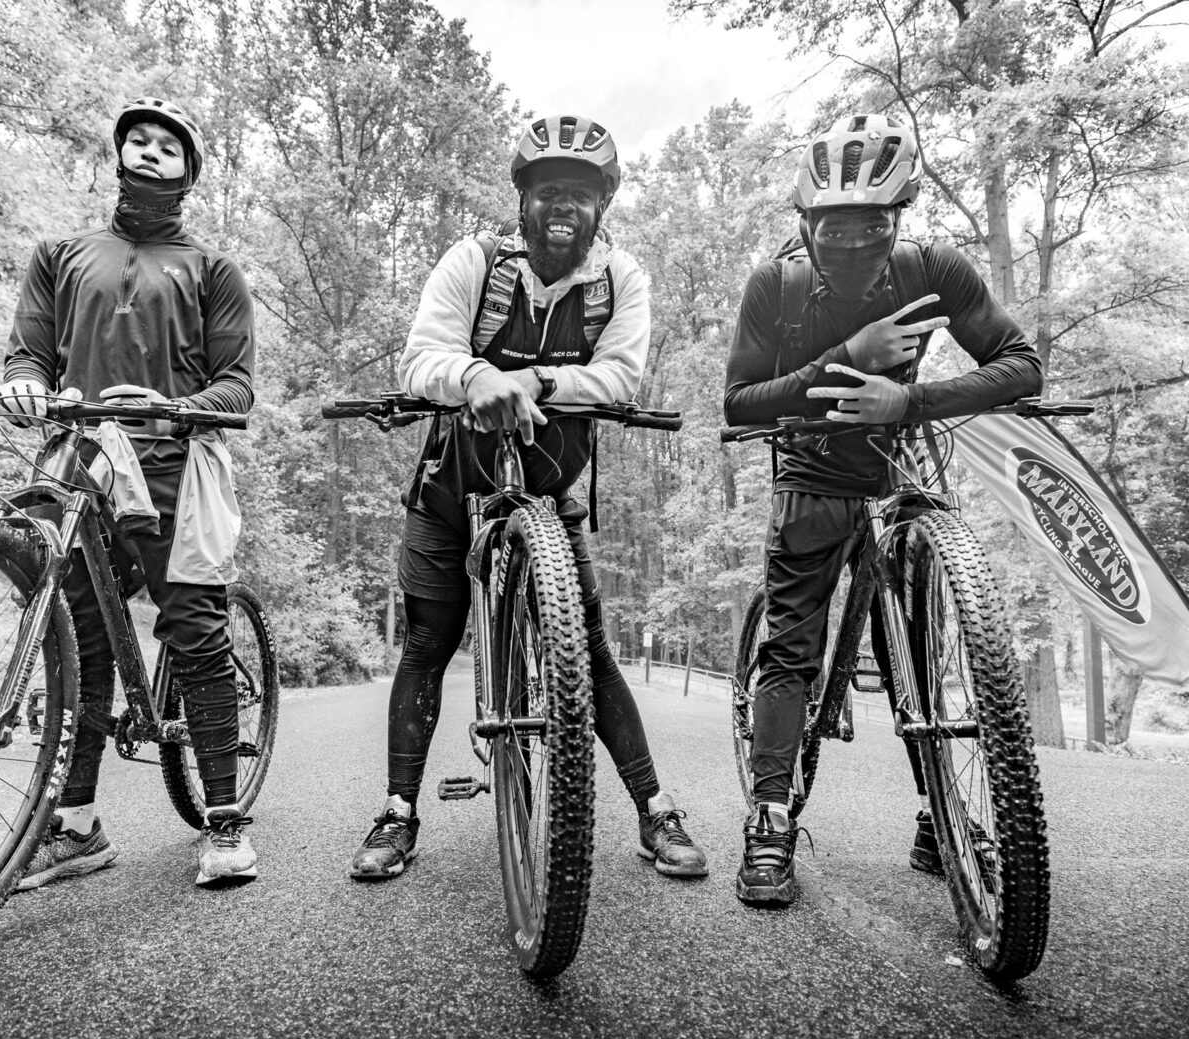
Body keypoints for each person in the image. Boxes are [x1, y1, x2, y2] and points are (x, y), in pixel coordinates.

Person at [350, 114, 709, 881]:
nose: (562, 208)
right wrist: (476, 378)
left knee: (589, 653)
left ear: (601, 206)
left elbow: (621, 380)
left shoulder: (621, 279)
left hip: (548, 493)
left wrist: (536, 382)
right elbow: (423, 356)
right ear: (523, 200)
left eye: (579, 195)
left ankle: (654, 808)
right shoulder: (474, 261)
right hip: (452, 490)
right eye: (548, 192)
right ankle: (397, 811)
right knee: (425, 646)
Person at [722, 113, 1043, 906]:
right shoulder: (778, 284)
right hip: (812, 478)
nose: (856, 244)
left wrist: (910, 398)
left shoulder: (936, 270)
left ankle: (942, 813)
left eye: (873, 226)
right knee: (793, 650)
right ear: (807, 223)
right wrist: (846, 359)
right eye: (836, 229)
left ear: (898, 218)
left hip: (902, 479)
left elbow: (1021, 364)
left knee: (921, 667)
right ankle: (769, 821)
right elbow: (738, 404)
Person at [0, 96, 259, 887]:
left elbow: (237, 389)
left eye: (166, 147)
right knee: (79, 638)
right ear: (119, 154)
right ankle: (74, 827)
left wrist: (179, 407)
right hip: (79, 463)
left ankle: (224, 820)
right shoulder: (59, 255)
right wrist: (22, 388)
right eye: (137, 140)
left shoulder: (212, 270)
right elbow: (28, 356)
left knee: (192, 629)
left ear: (188, 171)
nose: (148, 152)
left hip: (176, 463)